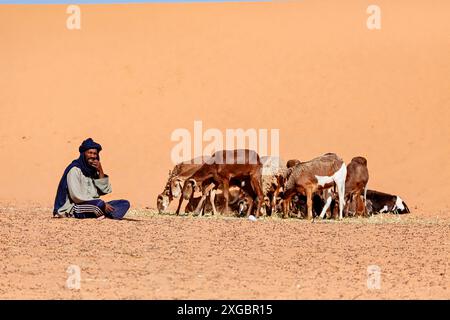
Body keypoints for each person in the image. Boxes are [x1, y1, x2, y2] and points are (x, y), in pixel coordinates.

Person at [53, 138, 130, 219]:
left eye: (95, 154)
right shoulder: (74, 170)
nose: (93, 156)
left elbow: (105, 190)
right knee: (98, 205)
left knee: (124, 203)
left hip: (93, 204)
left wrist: (100, 170)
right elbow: (76, 197)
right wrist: (101, 204)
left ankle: (102, 213)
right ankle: (104, 214)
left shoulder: (92, 171)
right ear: (84, 154)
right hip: (74, 207)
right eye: (90, 153)